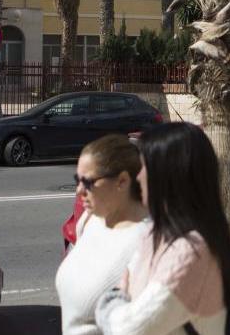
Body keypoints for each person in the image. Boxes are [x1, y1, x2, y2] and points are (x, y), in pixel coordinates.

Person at [95, 122, 230, 335]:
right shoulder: (155, 233)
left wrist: (111, 301)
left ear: (168, 175)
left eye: (143, 167)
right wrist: (122, 301)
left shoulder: (191, 251)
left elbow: (128, 329)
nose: (137, 177)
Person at [55, 134, 150, 335]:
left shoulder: (147, 243)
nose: (79, 190)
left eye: (88, 182)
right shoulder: (90, 222)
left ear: (122, 181)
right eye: (77, 180)